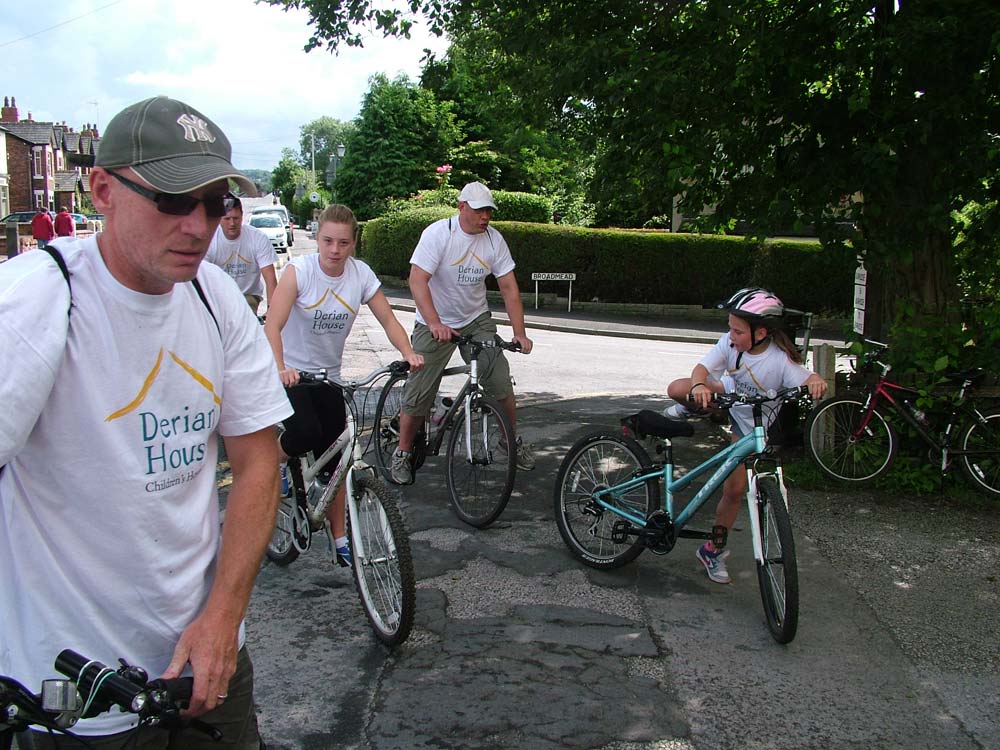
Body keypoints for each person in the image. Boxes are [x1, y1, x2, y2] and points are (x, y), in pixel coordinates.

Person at [0, 95, 293, 749]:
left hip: (207, 670)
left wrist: (224, 616)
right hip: (72, 698)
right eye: (171, 200)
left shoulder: (215, 298)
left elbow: (258, 462)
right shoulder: (41, 301)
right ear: (102, 189)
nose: (198, 226)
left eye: (215, 204)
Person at [264, 203, 423, 567]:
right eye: (328, 241)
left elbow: (388, 318)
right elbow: (272, 324)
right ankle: (273, 462)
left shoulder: (360, 274)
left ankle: (339, 540)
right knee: (305, 432)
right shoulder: (299, 272)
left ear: (354, 243)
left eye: (344, 243)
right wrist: (280, 368)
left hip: (329, 377)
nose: (335, 250)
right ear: (317, 238)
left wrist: (408, 353)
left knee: (337, 462)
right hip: (295, 374)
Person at [664, 288, 827, 584]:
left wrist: (816, 381)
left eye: (737, 331)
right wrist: (700, 385)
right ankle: (702, 409)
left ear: (761, 332)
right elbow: (702, 367)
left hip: (750, 427)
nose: (731, 335)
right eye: (730, 328)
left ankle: (712, 550)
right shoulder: (731, 344)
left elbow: (806, 378)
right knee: (678, 388)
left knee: (735, 491)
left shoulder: (779, 360)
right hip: (728, 397)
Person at [390, 182, 534, 485]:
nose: (485, 217)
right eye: (479, 210)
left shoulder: (494, 240)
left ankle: (509, 441)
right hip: (435, 319)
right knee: (420, 390)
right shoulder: (439, 234)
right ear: (461, 207)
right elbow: (417, 281)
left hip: (475, 318)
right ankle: (402, 452)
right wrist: (434, 323)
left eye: (489, 211)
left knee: (499, 380)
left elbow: (508, 287)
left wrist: (519, 333)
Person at [204, 197, 278, 314]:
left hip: (248, 295)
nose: (232, 223)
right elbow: (201, 278)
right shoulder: (209, 240)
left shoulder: (258, 238)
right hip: (219, 296)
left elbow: (270, 277)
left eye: (236, 218)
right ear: (219, 219)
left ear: (242, 216)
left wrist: (272, 312)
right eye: (227, 219)